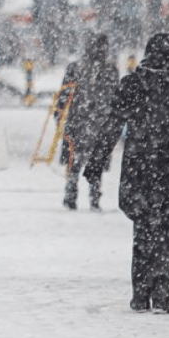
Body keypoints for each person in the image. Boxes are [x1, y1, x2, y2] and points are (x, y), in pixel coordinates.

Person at [106, 32, 169, 314]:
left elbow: (114, 122)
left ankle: (140, 293)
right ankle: (161, 292)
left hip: (141, 164)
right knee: (166, 229)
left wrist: (97, 160)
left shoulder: (133, 84)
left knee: (144, 226)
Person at [53, 33, 120, 211]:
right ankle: (95, 196)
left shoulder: (76, 67)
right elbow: (116, 97)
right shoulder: (110, 70)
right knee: (95, 162)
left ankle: (71, 194)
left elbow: (64, 95)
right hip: (99, 122)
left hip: (77, 120)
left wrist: (58, 116)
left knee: (74, 161)